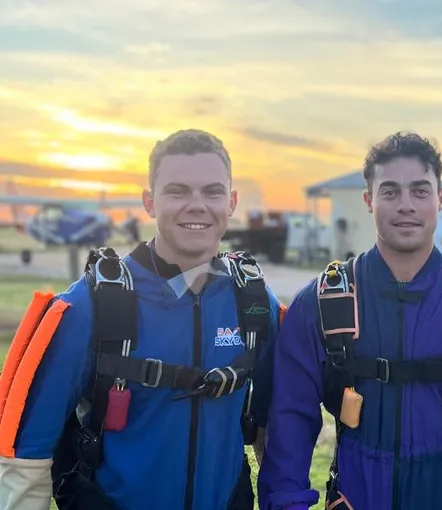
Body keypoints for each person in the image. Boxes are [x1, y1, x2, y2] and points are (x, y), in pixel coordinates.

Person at [0, 129, 283, 509]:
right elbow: (27, 453)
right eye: (178, 191)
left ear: (231, 202)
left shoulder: (254, 301)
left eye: (212, 191)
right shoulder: (93, 303)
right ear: (149, 202)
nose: (196, 205)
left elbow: (271, 431)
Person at [257, 132, 442, 510]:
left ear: (440, 198)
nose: (406, 205)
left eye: (420, 191)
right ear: (369, 200)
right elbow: (290, 423)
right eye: (390, 192)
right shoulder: (323, 303)